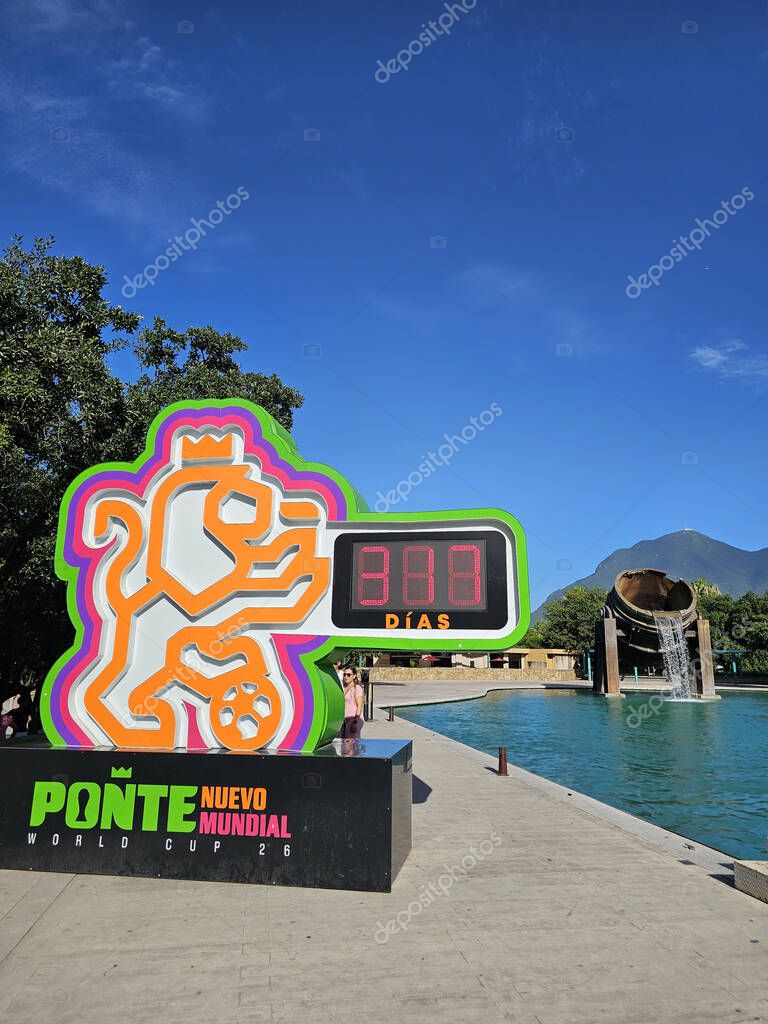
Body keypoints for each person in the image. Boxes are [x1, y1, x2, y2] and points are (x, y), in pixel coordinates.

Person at [341, 666, 364, 739]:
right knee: (346, 743)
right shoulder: (344, 687)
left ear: (354, 676)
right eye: (344, 674)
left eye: (348, 675)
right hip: (345, 720)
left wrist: (355, 722)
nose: (346, 677)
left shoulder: (357, 688)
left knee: (351, 743)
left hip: (353, 720)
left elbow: (359, 706)